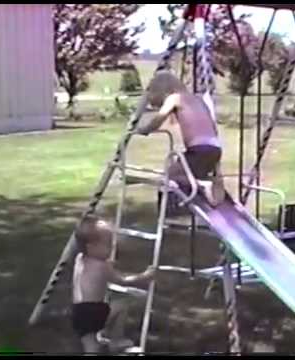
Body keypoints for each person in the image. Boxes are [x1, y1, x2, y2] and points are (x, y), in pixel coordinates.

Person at [135, 70, 225, 207]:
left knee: (171, 176)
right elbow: (211, 124)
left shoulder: (175, 98)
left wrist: (145, 130)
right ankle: (213, 197)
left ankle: (202, 185)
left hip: (198, 149)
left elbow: (159, 118)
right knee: (191, 172)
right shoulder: (197, 99)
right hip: (214, 147)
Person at [72, 214, 156, 354]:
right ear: (91, 247)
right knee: (122, 305)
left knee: (91, 344)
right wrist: (144, 276)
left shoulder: (79, 259)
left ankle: (94, 348)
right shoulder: (102, 266)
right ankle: (116, 339)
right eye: (108, 245)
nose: (111, 248)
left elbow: (92, 275)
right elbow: (122, 280)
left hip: (77, 312)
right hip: (94, 312)